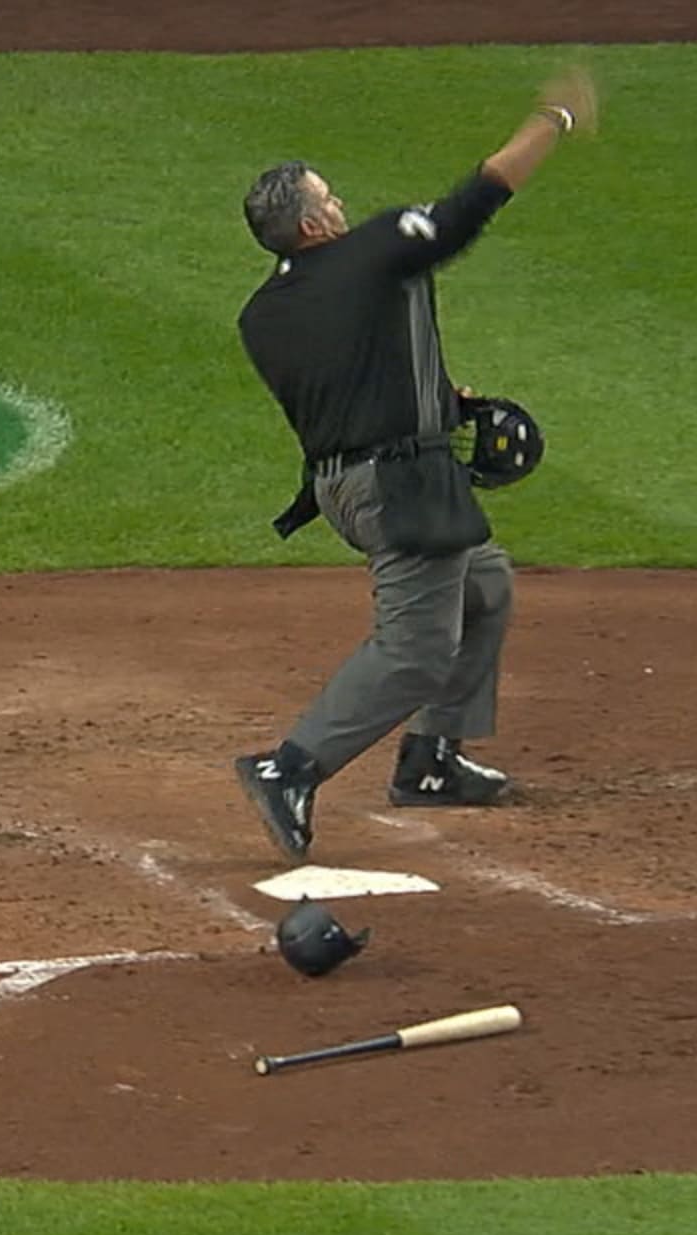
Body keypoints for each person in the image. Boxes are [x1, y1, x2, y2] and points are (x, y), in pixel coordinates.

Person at [231, 66, 598, 863]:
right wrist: (554, 122)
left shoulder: (262, 316)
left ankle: (433, 760)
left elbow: (352, 374)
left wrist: (441, 398)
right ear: (315, 224)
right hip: (398, 485)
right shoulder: (375, 252)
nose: (340, 205)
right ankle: (287, 767)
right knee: (415, 649)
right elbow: (474, 203)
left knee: (485, 585)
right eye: (329, 199)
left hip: (342, 485)